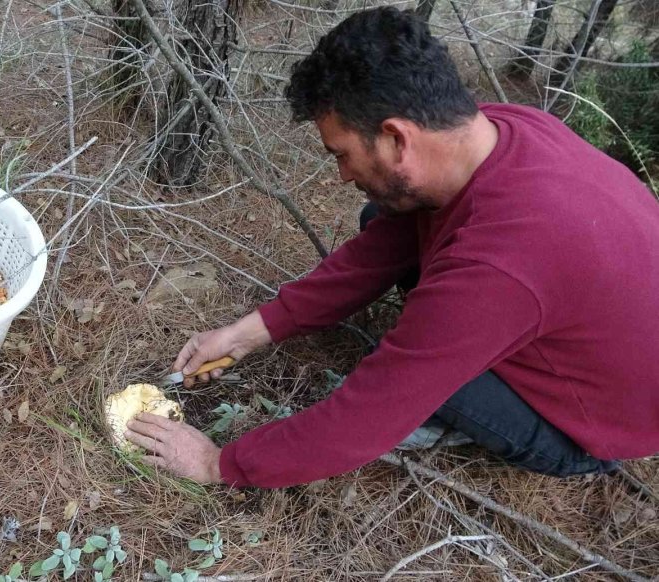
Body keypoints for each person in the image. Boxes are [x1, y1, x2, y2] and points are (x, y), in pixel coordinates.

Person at [124, 7, 659, 488]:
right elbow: (387, 244)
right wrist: (253, 330)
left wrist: (221, 464)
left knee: (426, 372)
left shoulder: (502, 264)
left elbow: (371, 412)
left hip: (591, 431)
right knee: (385, 213)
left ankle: (486, 421)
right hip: (586, 329)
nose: (339, 174)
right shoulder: (504, 129)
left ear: (397, 138)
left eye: (341, 154)